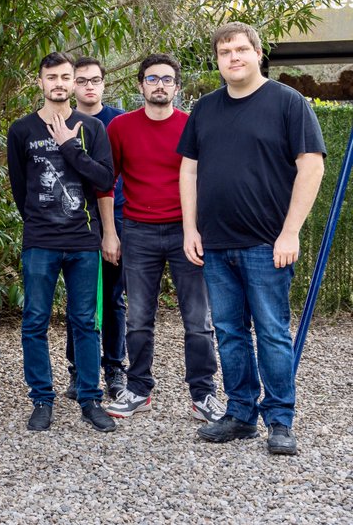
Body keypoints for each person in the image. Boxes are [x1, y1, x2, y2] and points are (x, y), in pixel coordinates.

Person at [181, 22, 325, 456]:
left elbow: (312, 165)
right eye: (225, 52)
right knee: (229, 333)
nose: (233, 58)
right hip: (217, 244)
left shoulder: (288, 103)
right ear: (218, 60)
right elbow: (188, 169)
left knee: (272, 333)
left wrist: (291, 233)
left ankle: (280, 420)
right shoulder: (205, 109)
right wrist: (190, 228)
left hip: (268, 245)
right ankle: (241, 413)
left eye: (241, 49)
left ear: (259, 53)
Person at [101, 55, 224, 423]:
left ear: (176, 86)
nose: (159, 85)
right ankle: (138, 389)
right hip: (138, 231)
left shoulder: (192, 124)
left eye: (167, 79)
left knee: (198, 319)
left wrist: (201, 229)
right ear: (140, 85)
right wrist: (110, 231)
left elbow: (208, 179)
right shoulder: (121, 127)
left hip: (187, 232)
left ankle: (203, 394)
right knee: (138, 317)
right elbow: (106, 182)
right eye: (152, 78)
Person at [6, 52, 116, 433]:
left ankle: (89, 398)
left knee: (85, 321)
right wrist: (38, 222)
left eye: (65, 77)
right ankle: (41, 399)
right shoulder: (22, 130)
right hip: (41, 241)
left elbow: (104, 180)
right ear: (40, 81)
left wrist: (70, 145)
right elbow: (21, 189)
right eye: (51, 76)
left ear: (74, 82)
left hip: (84, 241)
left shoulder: (92, 129)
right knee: (35, 320)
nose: (58, 83)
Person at [65, 57, 127, 401]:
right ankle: (79, 370)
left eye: (95, 80)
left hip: (115, 217)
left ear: (104, 84)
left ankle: (115, 366)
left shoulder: (118, 121)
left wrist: (113, 229)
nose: (89, 86)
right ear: (72, 84)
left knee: (114, 297)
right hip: (73, 221)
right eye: (82, 80)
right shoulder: (61, 120)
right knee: (80, 298)